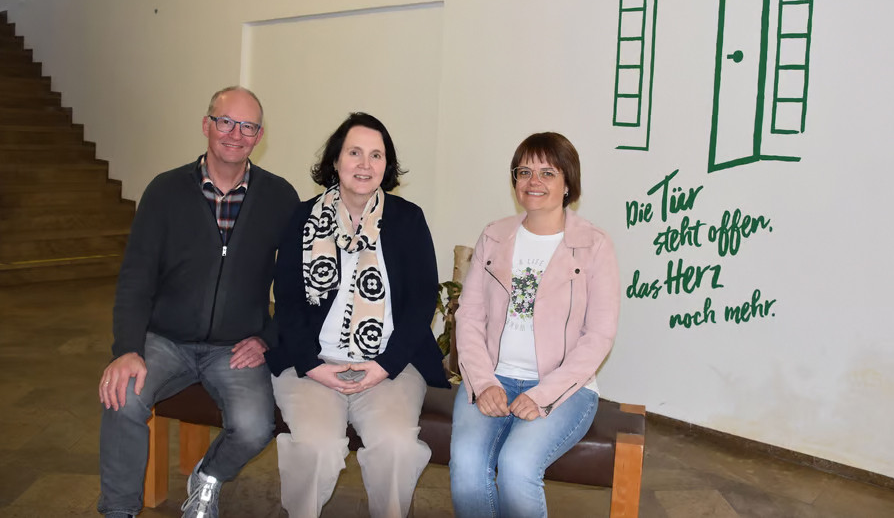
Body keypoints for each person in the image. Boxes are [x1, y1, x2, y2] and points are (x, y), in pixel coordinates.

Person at [96, 86, 299, 518]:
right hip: (164, 341)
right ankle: (119, 511)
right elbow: (136, 278)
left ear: (259, 136)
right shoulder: (165, 191)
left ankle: (207, 477)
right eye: (226, 121)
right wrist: (128, 349)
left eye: (247, 126)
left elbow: (296, 285)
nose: (235, 134)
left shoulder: (280, 198)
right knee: (122, 398)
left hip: (236, 347)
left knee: (254, 426)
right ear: (207, 125)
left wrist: (267, 336)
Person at [267, 112, 449, 518]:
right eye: (354, 153)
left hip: (390, 367)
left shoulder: (407, 219)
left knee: (397, 447)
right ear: (336, 160)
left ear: (387, 166)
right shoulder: (302, 218)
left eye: (376, 155)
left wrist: (384, 365)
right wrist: (313, 366)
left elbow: (421, 302)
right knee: (315, 447)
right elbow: (289, 302)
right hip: (311, 365)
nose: (365, 165)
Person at [450, 132, 620, 518]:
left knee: (517, 467)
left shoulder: (593, 244)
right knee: (466, 469)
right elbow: (470, 316)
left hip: (564, 389)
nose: (533, 181)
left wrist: (543, 395)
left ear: (567, 183)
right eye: (524, 171)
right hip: (493, 378)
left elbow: (599, 336)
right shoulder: (494, 236)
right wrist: (484, 382)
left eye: (547, 172)